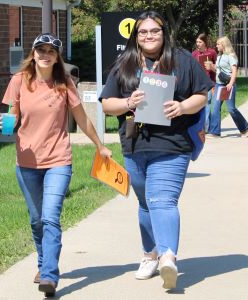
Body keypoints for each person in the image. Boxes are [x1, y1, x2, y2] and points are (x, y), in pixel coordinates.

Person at [99, 11, 213, 290]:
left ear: (164, 33)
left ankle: (168, 258)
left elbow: (202, 93)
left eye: (154, 31)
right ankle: (150, 254)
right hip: (134, 145)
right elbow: (106, 104)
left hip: (172, 144)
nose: (149, 36)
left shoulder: (183, 60)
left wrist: (182, 107)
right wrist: (128, 102)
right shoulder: (124, 64)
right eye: (143, 32)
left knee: (162, 200)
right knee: (145, 202)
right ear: (136, 37)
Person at [0, 33, 112, 298]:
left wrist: (100, 145)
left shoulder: (65, 84)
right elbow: (10, 120)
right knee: (37, 220)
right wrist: (6, 124)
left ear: (57, 56)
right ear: (33, 53)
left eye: (51, 51)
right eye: (41, 50)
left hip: (58, 160)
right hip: (26, 162)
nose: (45, 55)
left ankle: (49, 275)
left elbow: (82, 119)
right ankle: (42, 263)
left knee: (50, 217)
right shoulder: (18, 81)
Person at [207, 36, 248, 138]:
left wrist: (231, 83)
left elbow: (234, 71)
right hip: (218, 84)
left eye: (218, 44)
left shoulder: (231, 56)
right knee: (215, 107)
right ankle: (215, 132)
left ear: (224, 44)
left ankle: (245, 128)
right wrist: (211, 67)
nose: (216, 46)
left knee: (231, 108)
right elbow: (218, 71)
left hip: (228, 84)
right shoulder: (219, 56)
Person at [192, 33, 217, 132]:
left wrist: (211, 67)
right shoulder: (194, 54)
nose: (198, 44)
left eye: (200, 42)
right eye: (197, 42)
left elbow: (217, 66)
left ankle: (205, 128)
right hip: (198, 82)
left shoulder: (212, 52)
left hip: (209, 82)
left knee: (206, 103)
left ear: (205, 42)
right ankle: (209, 126)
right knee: (202, 104)